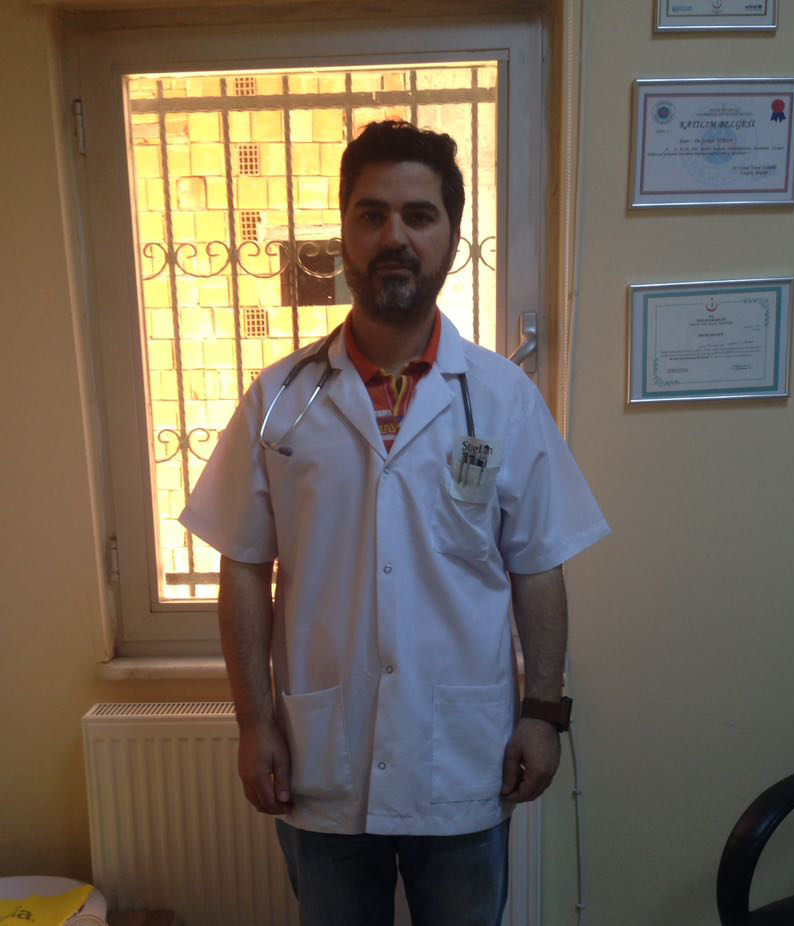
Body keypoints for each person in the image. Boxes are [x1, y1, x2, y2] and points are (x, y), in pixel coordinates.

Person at [179, 120, 609, 926]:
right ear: (345, 233)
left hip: (464, 757)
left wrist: (543, 713)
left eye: (419, 215)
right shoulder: (279, 398)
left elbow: (538, 564)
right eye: (372, 215)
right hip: (323, 760)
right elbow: (243, 564)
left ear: (451, 235)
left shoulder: (503, 398)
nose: (394, 237)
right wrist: (255, 723)